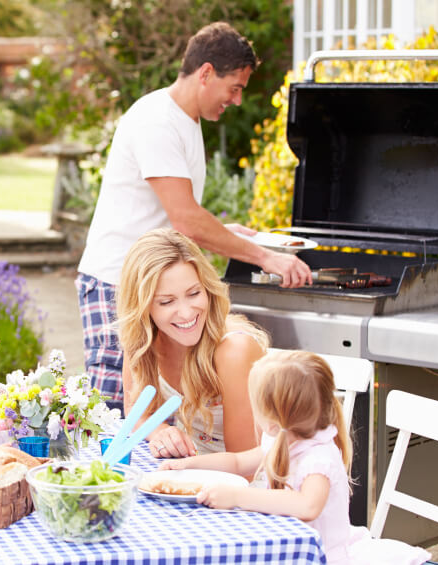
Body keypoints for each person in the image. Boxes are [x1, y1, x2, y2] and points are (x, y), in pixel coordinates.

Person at [76, 22, 312, 411]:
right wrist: (266, 257)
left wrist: (225, 232)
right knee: (118, 415)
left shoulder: (184, 121)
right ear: (206, 74)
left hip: (150, 281)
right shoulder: (157, 120)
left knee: (155, 414)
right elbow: (186, 219)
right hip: (116, 283)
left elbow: (175, 216)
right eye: (234, 87)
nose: (236, 100)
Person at [161, 350, 432, 565]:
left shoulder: (318, 457)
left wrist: (238, 497)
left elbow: (307, 506)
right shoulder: (279, 438)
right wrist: (187, 464)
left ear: (272, 419)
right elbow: (236, 462)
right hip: (286, 546)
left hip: (322, 556)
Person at [117, 228, 270, 458]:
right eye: (167, 301)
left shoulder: (234, 351)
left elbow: (246, 468)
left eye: (194, 293)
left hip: (247, 481)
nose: (187, 313)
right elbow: (137, 411)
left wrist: (185, 469)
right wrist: (161, 432)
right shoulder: (143, 340)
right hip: (195, 471)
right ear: (143, 307)